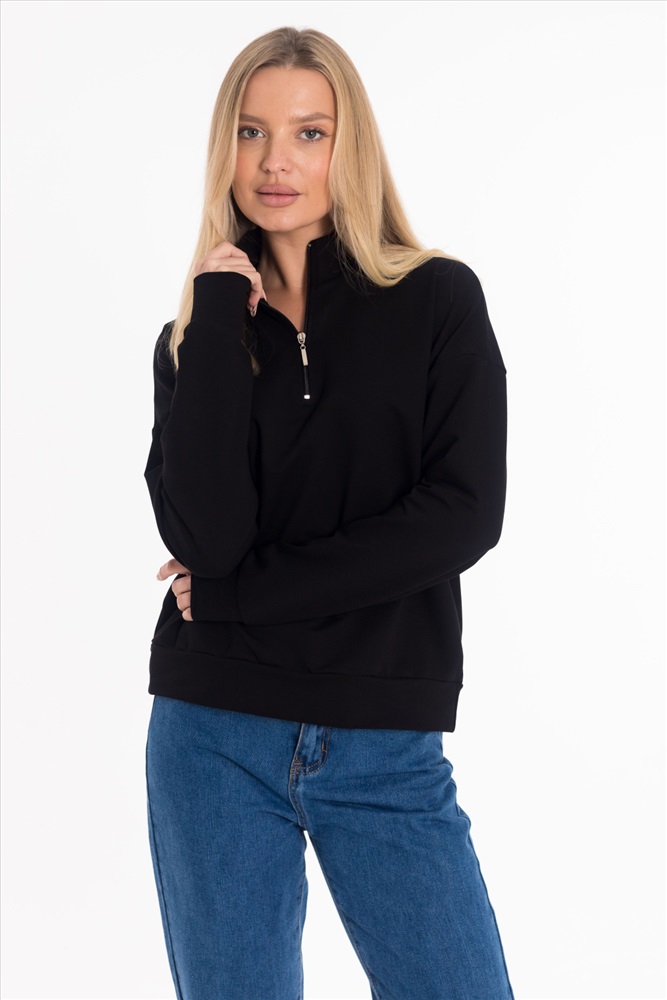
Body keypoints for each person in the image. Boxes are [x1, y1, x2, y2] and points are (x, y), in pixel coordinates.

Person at [143, 25, 515, 1000]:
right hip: (212, 733)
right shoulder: (193, 340)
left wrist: (237, 599)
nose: (276, 161)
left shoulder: (437, 300)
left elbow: (462, 516)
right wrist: (216, 313)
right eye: (251, 131)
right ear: (224, 147)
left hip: (383, 740)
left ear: (349, 146)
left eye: (309, 132)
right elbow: (207, 537)